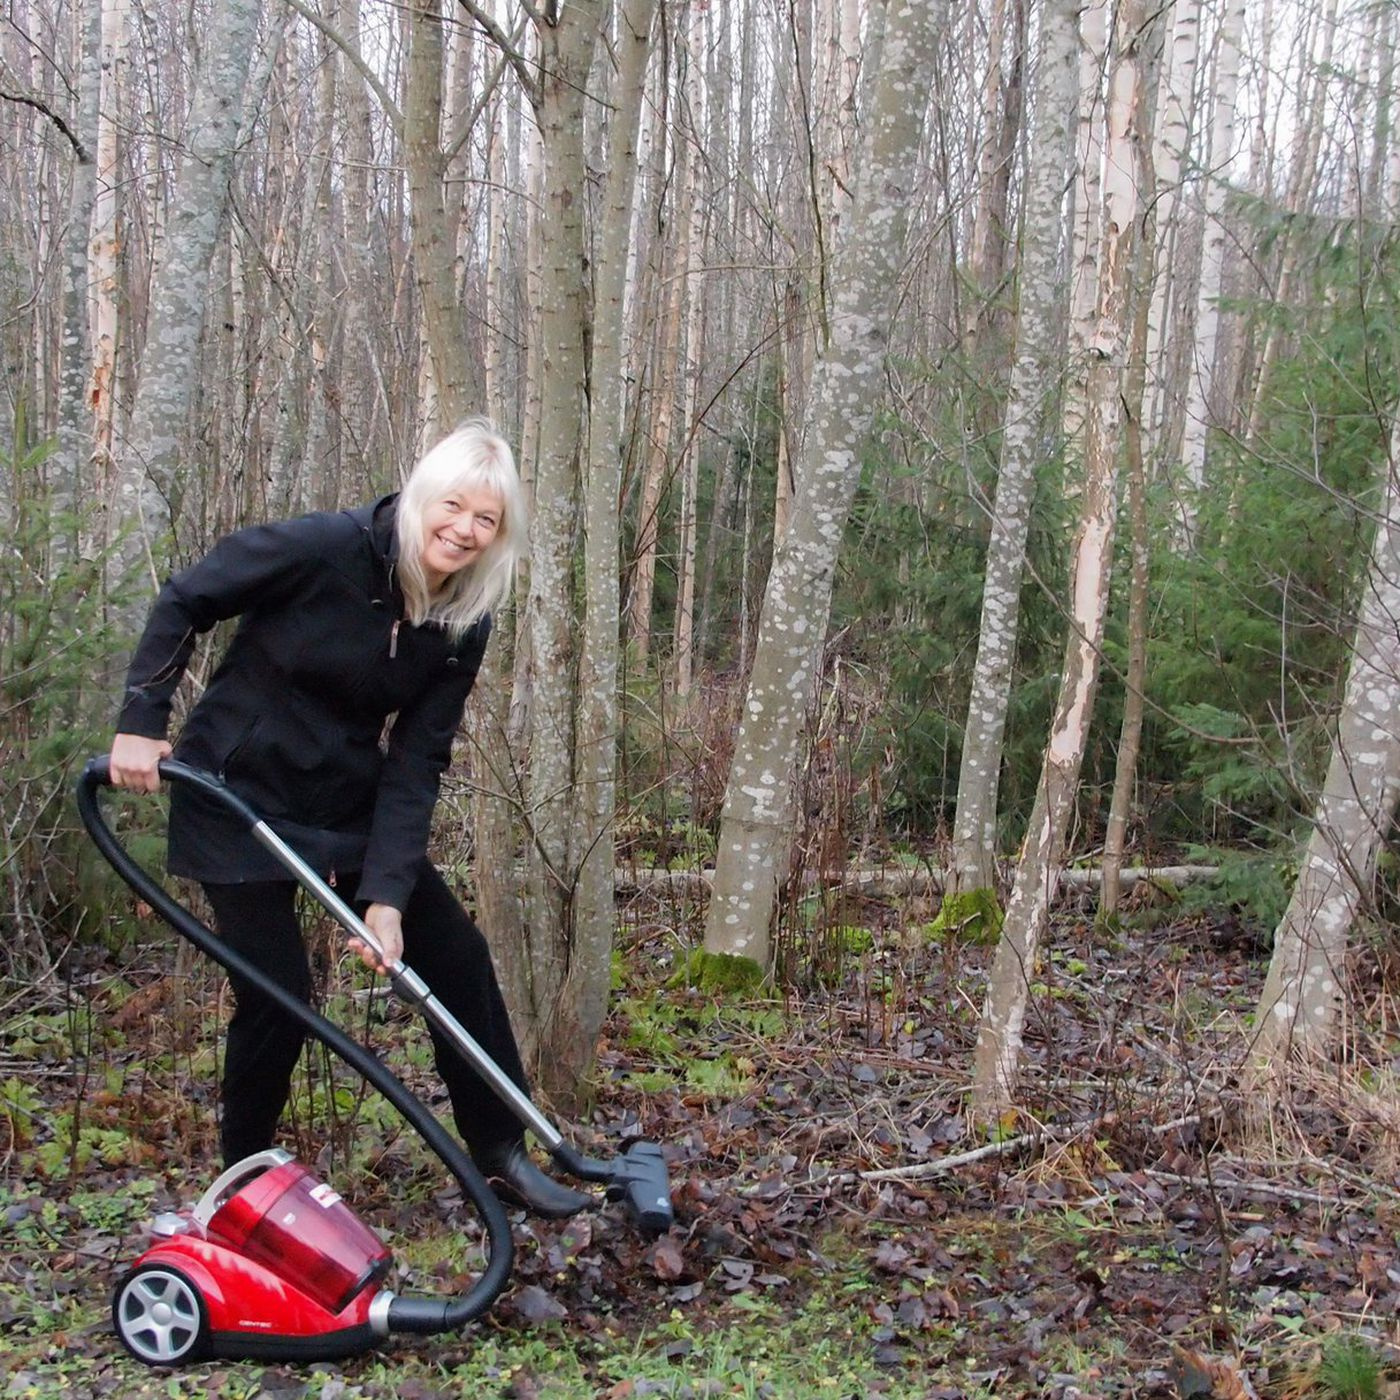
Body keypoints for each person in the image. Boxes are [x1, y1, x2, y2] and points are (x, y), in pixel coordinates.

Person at [108, 419, 590, 1219]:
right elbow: (188, 597)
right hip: (234, 790)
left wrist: (388, 896)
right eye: (454, 505)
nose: (464, 530)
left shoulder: (463, 618)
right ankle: (242, 1185)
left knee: (457, 955)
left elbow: (417, 759)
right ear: (423, 493)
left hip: (342, 802)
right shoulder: (321, 548)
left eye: (487, 519)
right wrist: (140, 719)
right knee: (279, 992)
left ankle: (502, 1153)